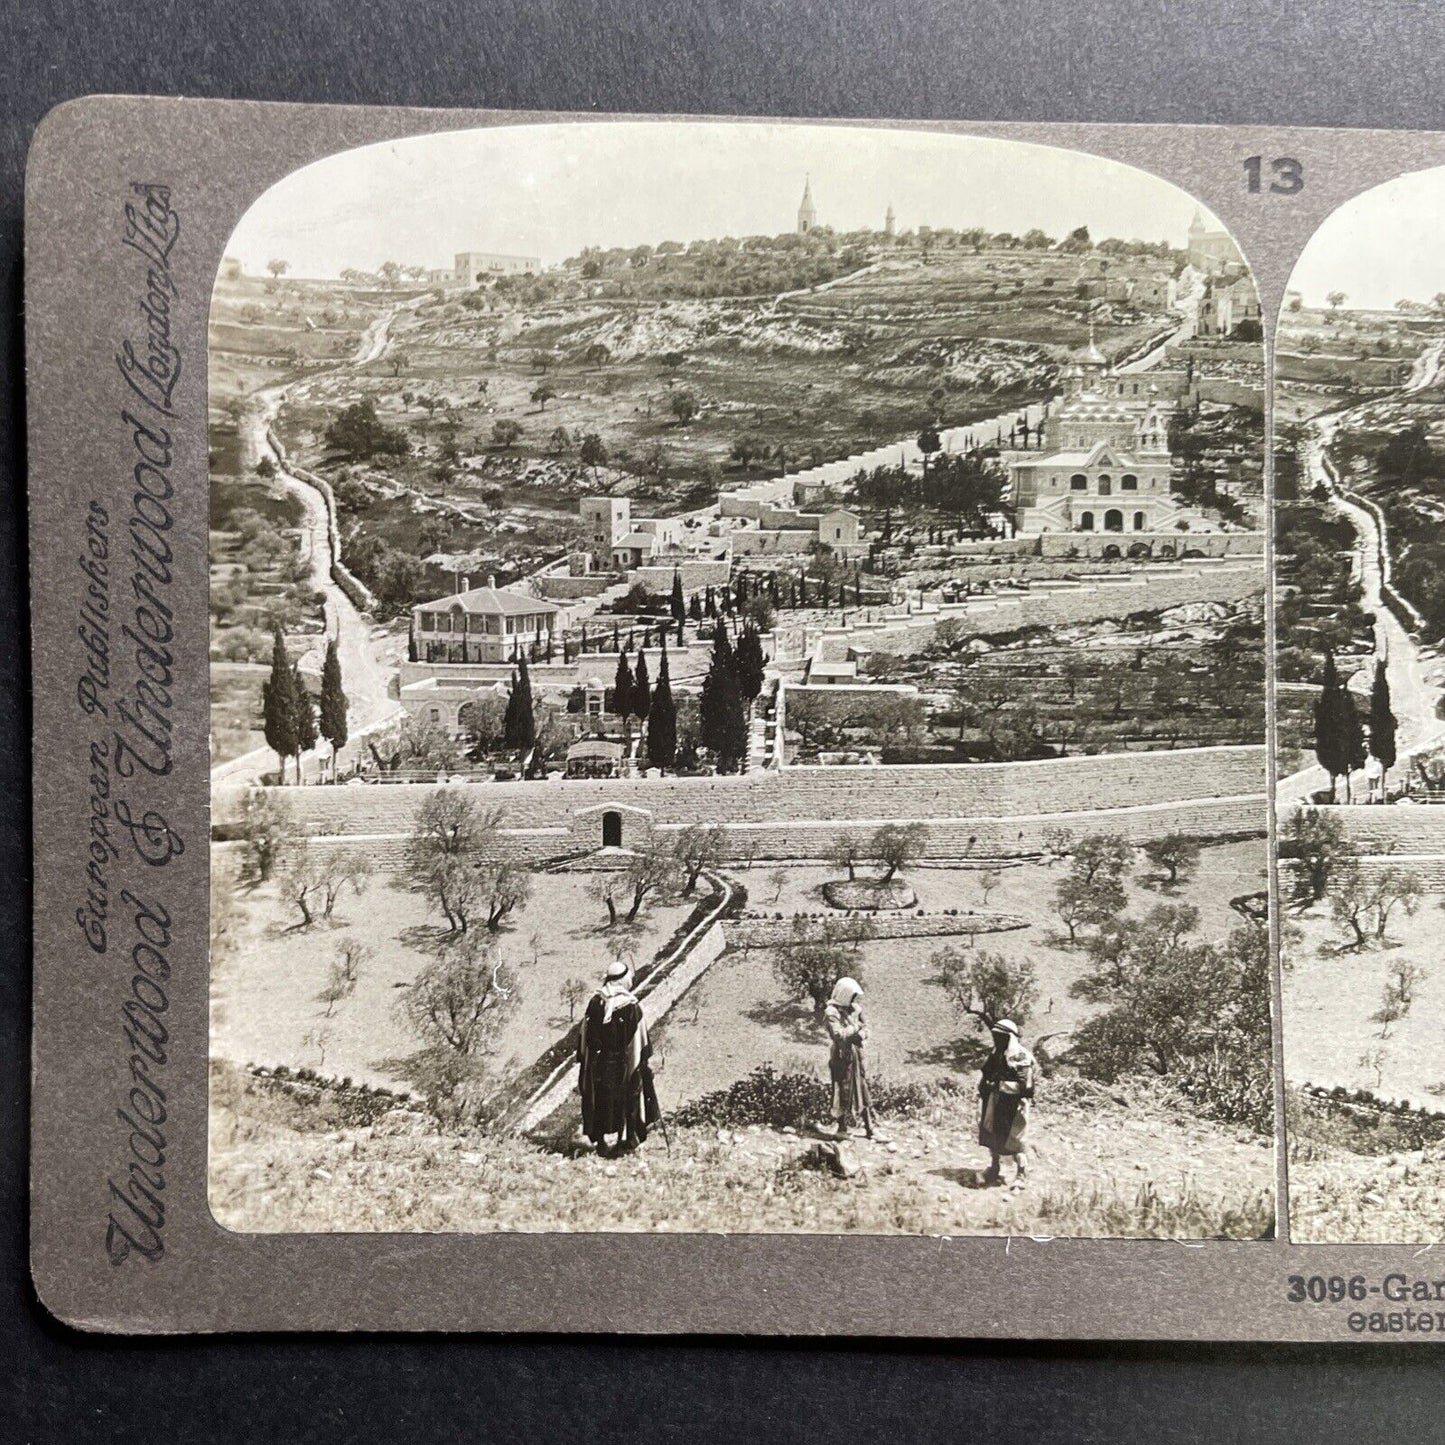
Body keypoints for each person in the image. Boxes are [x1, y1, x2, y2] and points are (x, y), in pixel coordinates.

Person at [577, 961, 660, 1155]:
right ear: (622, 980)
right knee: (627, 1100)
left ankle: (602, 1143)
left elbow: (585, 1035)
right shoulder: (630, 1006)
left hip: (599, 1065)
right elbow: (639, 1039)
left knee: (601, 1102)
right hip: (623, 1063)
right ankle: (627, 1140)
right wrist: (643, 1059)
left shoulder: (596, 1002)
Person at [977, 1018, 1036, 1189]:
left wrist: (999, 1085)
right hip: (995, 1103)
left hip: (1013, 1105)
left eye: (1000, 1037)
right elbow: (987, 1073)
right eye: (995, 1036)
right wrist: (985, 1087)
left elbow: (1026, 1088)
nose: (997, 1040)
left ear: (1009, 1037)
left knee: (1015, 1139)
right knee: (993, 1136)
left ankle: (1021, 1173)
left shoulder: (1020, 1057)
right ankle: (995, 1168)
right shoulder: (996, 1054)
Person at [822, 976, 880, 1140]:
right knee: (842, 1089)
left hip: (856, 1055)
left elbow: (866, 1028)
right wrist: (855, 1027)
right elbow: (839, 1035)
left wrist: (862, 1033)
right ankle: (842, 1127)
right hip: (841, 1056)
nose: (854, 999)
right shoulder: (831, 1012)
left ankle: (870, 1129)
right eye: (852, 995)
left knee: (862, 1088)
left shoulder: (855, 1009)